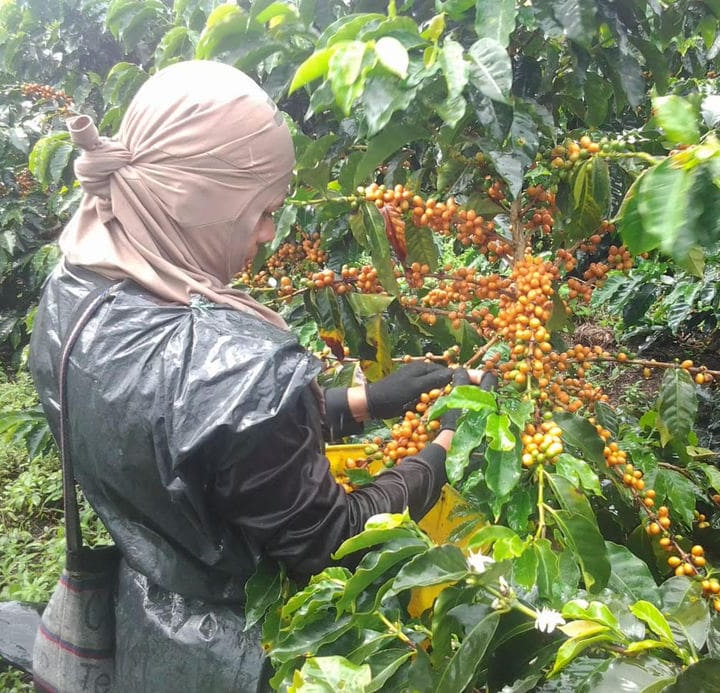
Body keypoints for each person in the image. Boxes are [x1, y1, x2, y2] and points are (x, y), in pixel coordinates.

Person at [28, 60, 479, 691]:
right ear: (202, 200)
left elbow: (191, 438)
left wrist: (365, 400)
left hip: (146, 624)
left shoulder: (70, 296)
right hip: (248, 650)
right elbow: (331, 544)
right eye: (263, 208)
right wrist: (447, 441)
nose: (269, 234)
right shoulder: (243, 366)